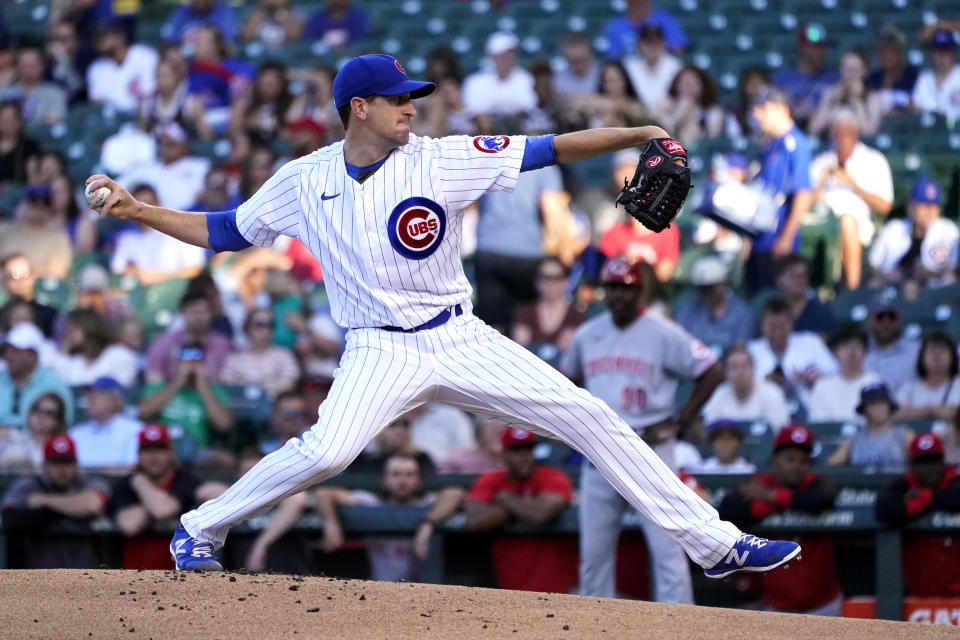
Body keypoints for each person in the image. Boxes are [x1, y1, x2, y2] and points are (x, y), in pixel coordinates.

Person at [85, 52, 800, 576]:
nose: (412, 107)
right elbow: (223, 232)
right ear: (357, 108)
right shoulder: (303, 181)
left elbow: (548, 149)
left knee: (591, 416)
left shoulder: (442, 158)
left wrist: (641, 131)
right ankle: (197, 530)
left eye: (413, 96)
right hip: (377, 350)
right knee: (329, 452)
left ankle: (715, 545)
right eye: (397, 98)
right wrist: (138, 209)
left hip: (457, 335)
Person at [562, 256, 724, 603]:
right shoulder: (588, 335)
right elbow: (565, 380)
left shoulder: (663, 331)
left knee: (669, 553)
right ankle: (595, 629)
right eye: (613, 288)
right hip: (602, 455)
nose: (619, 295)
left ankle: (680, 629)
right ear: (604, 291)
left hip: (651, 451)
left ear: (639, 291)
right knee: (594, 560)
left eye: (626, 288)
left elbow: (711, 370)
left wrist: (682, 419)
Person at [718, 425, 841, 615]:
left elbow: (820, 500)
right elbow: (727, 510)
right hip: (776, 605)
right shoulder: (760, 483)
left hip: (824, 603)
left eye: (803, 461)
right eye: (790, 459)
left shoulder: (817, 483)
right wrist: (766, 507)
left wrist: (772, 497)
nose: (796, 466)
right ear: (775, 460)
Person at [315, 453, 465, 582]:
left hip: (424, 590)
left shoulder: (428, 503)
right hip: (382, 590)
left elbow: (455, 493)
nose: (402, 481)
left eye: (409, 474)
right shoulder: (371, 502)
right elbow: (324, 493)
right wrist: (331, 523)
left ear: (419, 481)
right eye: (396, 474)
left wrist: (428, 524)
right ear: (385, 480)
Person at [464, 428, 577, 593]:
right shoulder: (491, 480)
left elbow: (540, 515)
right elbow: (475, 521)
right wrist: (523, 505)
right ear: (504, 454)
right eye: (516, 450)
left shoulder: (553, 477)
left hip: (560, 590)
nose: (524, 456)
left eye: (528, 449)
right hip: (509, 591)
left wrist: (506, 499)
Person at [473, 144, 568, 331]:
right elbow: (552, 212)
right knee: (529, 324)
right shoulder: (545, 164)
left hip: (488, 250)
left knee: (493, 327)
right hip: (527, 254)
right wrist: (566, 251)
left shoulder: (492, 159)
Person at [114, 424, 226, 570]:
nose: (154, 456)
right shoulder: (127, 484)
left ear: (172, 452)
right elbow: (129, 525)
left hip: (178, 577)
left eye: (160, 449)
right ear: (138, 454)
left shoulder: (185, 479)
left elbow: (162, 510)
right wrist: (140, 482)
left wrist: (144, 498)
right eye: (148, 449)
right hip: (133, 577)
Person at [139, 289, 234, 451]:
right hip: (161, 448)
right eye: (193, 311)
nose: (191, 361)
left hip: (199, 453)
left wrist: (202, 383)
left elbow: (224, 425)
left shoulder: (224, 346)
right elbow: (143, 412)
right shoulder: (164, 344)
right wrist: (179, 380)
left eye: (203, 311)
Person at [808, 110, 893, 290]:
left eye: (846, 133)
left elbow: (885, 206)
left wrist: (852, 184)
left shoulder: (874, 160)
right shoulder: (822, 161)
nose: (841, 138)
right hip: (821, 219)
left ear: (855, 133)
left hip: (858, 221)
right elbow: (807, 201)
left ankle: (851, 287)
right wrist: (823, 181)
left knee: (847, 221)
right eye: (837, 133)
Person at [0, 434, 111, 568]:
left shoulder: (89, 482)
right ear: (44, 465)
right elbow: (9, 516)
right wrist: (71, 508)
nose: (62, 470)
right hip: (38, 576)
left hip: (85, 574)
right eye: (56, 463)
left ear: (76, 464)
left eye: (67, 462)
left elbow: (92, 505)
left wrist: (44, 501)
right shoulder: (29, 484)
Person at [745, 88, 815, 293]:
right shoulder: (771, 145)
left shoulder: (795, 143)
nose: (757, 115)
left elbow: (803, 193)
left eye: (763, 109)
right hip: (761, 238)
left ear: (781, 110)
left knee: (777, 303)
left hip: (778, 242)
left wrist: (786, 237)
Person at [875, 433, 960, 597]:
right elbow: (883, 509)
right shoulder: (905, 484)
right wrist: (914, 506)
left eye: (934, 461)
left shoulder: (953, 480)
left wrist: (924, 498)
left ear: (943, 462)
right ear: (912, 466)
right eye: (923, 462)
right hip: (919, 598)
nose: (929, 468)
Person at [747, 298, 838, 413]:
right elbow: (741, 385)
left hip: (809, 410)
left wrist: (815, 379)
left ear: (791, 324)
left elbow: (835, 375)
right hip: (765, 413)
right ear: (762, 326)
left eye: (782, 326)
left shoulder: (811, 341)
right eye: (772, 327)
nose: (777, 332)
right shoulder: (750, 350)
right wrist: (764, 383)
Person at [869, 177, 959, 292]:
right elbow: (871, 265)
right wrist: (884, 275)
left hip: (936, 294)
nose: (930, 211)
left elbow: (954, 270)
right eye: (924, 205)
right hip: (891, 290)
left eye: (934, 206)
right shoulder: (893, 229)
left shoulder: (949, 231)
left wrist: (927, 273)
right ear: (910, 207)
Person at [110, 184, 208, 286]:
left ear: (159, 204)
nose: (143, 210)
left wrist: (156, 277)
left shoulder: (182, 228)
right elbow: (117, 269)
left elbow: (194, 270)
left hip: (178, 292)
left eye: (148, 204)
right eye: (138, 207)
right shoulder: (127, 237)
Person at [674, 255, 755, 352]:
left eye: (709, 288)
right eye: (700, 289)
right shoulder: (688, 310)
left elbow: (741, 351)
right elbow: (679, 346)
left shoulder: (743, 313)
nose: (704, 294)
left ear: (724, 284)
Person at [702, 343, 791, 431]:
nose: (740, 373)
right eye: (734, 367)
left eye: (745, 366)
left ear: (753, 368)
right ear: (726, 373)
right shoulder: (718, 395)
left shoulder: (773, 393)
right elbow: (709, 435)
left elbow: (781, 433)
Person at [0, 323, 73, 430]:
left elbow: (64, 425)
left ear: (33, 355)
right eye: (7, 350)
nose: (9, 356)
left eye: (16, 351)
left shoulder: (54, 384)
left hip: (40, 444)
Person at [43, 308, 139, 387]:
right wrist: (63, 352)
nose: (69, 333)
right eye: (68, 329)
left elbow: (122, 387)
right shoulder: (73, 360)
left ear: (89, 327)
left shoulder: (119, 353)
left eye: (74, 328)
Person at [217, 307, 300, 399]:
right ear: (247, 328)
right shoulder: (235, 358)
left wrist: (254, 388)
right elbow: (226, 381)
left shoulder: (284, 356)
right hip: (242, 407)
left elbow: (290, 382)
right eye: (259, 325)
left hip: (275, 408)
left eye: (269, 325)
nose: (264, 329)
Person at [827, 383, 913, 471]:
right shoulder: (856, 438)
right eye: (872, 404)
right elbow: (831, 464)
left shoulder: (904, 434)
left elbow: (919, 463)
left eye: (882, 403)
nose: (878, 408)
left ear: (889, 406)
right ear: (864, 409)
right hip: (862, 484)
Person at [510, 257, 585, 356]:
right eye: (545, 278)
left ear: (566, 281)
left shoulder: (575, 315)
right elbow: (519, 349)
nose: (550, 284)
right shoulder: (526, 312)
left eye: (556, 278)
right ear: (537, 281)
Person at [772, 23, 840, 129]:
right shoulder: (782, 79)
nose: (820, 52)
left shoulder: (834, 79)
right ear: (802, 48)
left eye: (823, 47)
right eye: (815, 47)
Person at [807, 325, 880, 424]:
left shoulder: (876, 383)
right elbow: (819, 425)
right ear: (836, 352)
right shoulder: (822, 386)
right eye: (846, 346)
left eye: (857, 346)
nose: (852, 352)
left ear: (865, 352)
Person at [68, 376, 142, 471]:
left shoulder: (135, 430)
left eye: (100, 393)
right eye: (90, 393)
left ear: (117, 400)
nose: (91, 398)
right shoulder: (75, 434)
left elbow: (131, 468)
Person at [462, 32, 536, 125]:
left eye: (510, 55)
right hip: (483, 130)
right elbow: (475, 111)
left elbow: (527, 107)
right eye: (502, 56)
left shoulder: (525, 78)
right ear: (491, 57)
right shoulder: (474, 81)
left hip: (517, 128)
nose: (507, 59)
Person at [0, 184, 72, 280]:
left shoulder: (58, 238)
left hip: (38, 292)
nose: (39, 206)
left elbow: (57, 273)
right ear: (25, 204)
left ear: (50, 208)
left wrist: (21, 271)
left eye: (45, 203)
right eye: (34, 201)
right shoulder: (5, 230)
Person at [86, 18, 158, 114]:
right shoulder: (95, 69)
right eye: (95, 37)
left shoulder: (146, 56)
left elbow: (151, 94)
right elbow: (97, 104)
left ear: (119, 37)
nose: (98, 40)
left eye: (103, 36)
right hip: (113, 123)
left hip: (145, 116)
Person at [807, 49, 882, 139]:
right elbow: (813, 130)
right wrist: (831, 102)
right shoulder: (830, 93)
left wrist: (857, 100)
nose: (849, 74)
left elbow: (869, 133)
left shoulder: (872, 98)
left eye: (854, 69)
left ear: (864, 71)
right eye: (846, 68)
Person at [863, 289, 921, 395]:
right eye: (880, 317)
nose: (886, 323)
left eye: (891, 317)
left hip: (907, 409)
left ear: (900, 319)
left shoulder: (917, 351)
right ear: (869, 319)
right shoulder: (860, 351)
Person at [894, 332, 960, 423]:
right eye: (932, 351)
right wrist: (930, 411)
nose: (937, 356)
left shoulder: (958, 385)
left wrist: (914, 412)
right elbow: (896, 414)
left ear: (953, 357)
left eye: (942, 351)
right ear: (922, 357)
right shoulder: (909, 387)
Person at [653, 64, 724, 147]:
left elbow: (711, 141)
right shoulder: (666, 103)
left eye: (693, 84)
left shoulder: (713, 111)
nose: (688, 88)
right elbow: (656, 130)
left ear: (703, 86)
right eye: (684, 83)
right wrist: (679, 114)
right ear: (676, 85)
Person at [349, 414, 436, 476]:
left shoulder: (422, 459)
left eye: (405, 425)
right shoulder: (362, 461)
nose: (400, 431)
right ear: (378, 429)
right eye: (393, 425)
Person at [621, 24, 682, 111]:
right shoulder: (628, 66)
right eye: (648, 42)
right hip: (636, 115)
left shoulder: (675, 66)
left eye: (656, 42)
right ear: (639, 44)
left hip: (667, 114)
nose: (652, 46)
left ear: (664, 43)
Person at [0, 46, 67, 126]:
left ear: (42, 66)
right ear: (17, 67)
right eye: (24, 65)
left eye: (33, 65)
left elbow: (56, 120)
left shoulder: (54, 93)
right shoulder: (4, 91)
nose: (28, 70)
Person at [0, 393, 67, 472]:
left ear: (58, 421)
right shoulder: (11, 436)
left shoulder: (62, 446)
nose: (41, 415)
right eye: (36, 409)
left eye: (49, 413)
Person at [772, 255, 835, 337]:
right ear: (779, 280)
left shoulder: (821, 313)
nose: (799, 280)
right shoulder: (772, 312)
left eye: (803, 275)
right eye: (793, 276)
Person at [603, 0, 688, 58]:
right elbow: (614, 57)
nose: (637, 3)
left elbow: (679, 50)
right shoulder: (615, 26)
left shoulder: (666, 20)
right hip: (628, 74)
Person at [0, 253, 58, 337]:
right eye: (14, 275)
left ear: (34, 276)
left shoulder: (50, 315)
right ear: (3, 280)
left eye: (26, 273)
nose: (21, 280)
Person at [866, 25, 918, 117]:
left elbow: (918, 109)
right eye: (883, 51)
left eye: (893, 50)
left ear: (901, 52)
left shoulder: (914, 79)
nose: (887, 56)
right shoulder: (871, 79)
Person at [912, 29, 960, 121]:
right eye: (938, 51)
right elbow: (916, 109)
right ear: (931, 54)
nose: (941, 56)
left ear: (954, 53)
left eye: (946, 51)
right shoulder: (924, 78)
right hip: (929, 132)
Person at [439, 417, 506, 475]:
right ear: (481, 435)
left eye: (506, 433)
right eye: (497, 433)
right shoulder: (460, 456)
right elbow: (442, 481)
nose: (502, 437)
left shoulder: (510, 461)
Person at [302, 0, 371, 53]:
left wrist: (346, 47)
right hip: (323, 57)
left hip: (352, 54)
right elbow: (310, 41)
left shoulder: (358, 15)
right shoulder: (317, 17)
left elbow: (363, 39)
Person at [0, 100, 41, 188]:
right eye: (3, 119)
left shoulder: (29, 147)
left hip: (16, 193)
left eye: (11, 120)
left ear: (19, 122)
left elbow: (33, 180)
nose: (6, 124)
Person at [257, 389, 312, 455]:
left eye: (302, 414)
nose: (298, 420)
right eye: (290, 415)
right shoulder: (264, 448)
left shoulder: (314, 443)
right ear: (274, 416)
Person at [162, 0, 239, 45]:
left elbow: (228, 46)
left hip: (212, 66)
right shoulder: (180, 12)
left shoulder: (224, 12)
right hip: (184, 65)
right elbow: (168, 44)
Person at [553, 31, 600, 98]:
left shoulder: (603, 77)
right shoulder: (556, 80)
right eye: (573, 61)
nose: (578, 66)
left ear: (591, 54)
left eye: (582, 60)